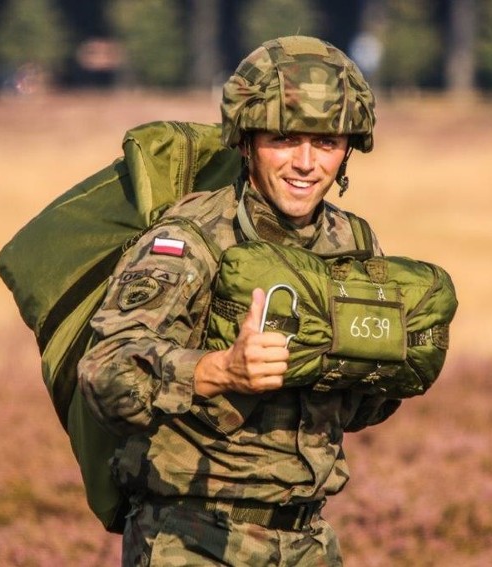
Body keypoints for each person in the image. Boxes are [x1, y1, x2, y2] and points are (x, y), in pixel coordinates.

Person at [78, 35, 402, 566]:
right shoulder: (191, 239)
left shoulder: (355, 246)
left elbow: (356, 413)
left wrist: (386, 371)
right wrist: (218, 370)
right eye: (284, 138)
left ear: (349, 149)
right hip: (190, 538)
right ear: (246, 141)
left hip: (308, 539)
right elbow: (105, 372)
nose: (305, 163)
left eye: (325, 143)